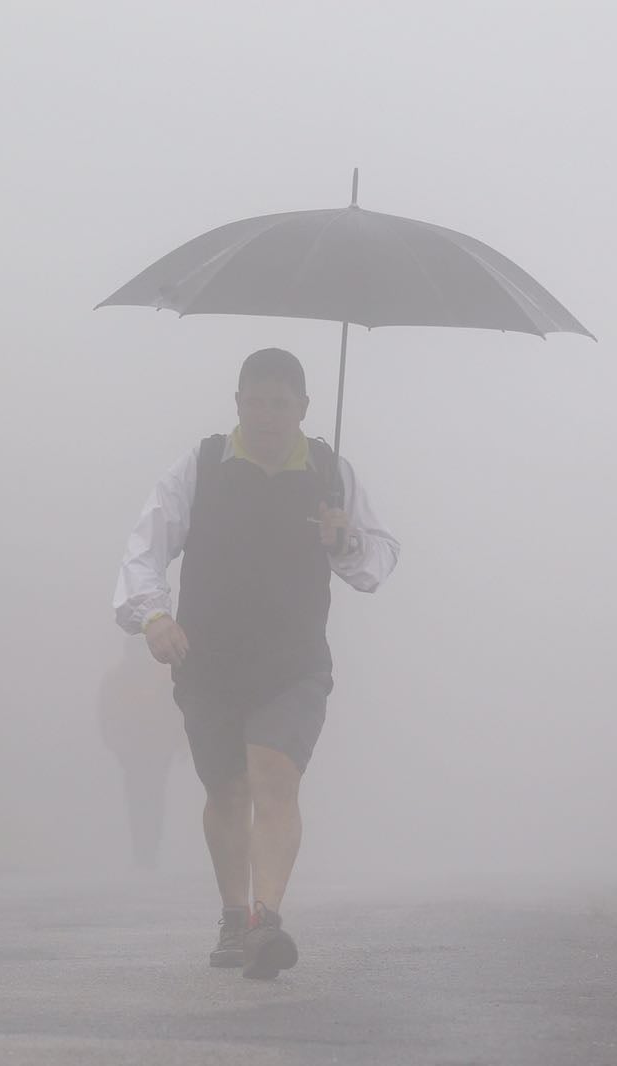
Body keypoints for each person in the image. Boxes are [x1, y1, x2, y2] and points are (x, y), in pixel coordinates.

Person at [113, 347, 399, 979]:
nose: (268, 415)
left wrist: (343, 537)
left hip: (294, 662)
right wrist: (153, 617)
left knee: (274, 777)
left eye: (281, 404)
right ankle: (232, 912)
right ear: (238, 403)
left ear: (303, 409)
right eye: (256, 401)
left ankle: (264, 921)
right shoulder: (202, 465)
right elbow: (144, 546)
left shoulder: (330, 473)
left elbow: (378, 559)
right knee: (227, 788)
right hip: (207, 658)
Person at [98, 637, 185, 871]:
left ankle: (149, 850)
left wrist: (179, 743)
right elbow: (106, 715)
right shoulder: (116, 680)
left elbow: (175, 710)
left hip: (156, 750)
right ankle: (143, 851)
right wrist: (115, 744)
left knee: (153, 798)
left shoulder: (160, 678)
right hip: (133, 751)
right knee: (139, 798)